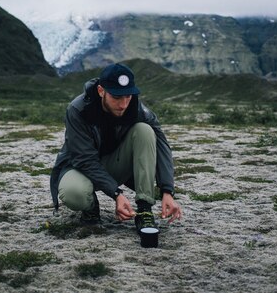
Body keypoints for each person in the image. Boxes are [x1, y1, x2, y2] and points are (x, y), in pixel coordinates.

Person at [49, 63, 182, 233]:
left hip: (115, 164)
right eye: (116, 97)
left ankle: (144, 210)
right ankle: (90, 208)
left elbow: (162, 145)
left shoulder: (137, 108)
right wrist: (116, 194)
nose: (123, 104)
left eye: (128, 96)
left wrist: (167, 190)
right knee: (74, 194)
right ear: (101, 91)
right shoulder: (78, 109)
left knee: (145, 131)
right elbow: (84, 159)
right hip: (79, 167)